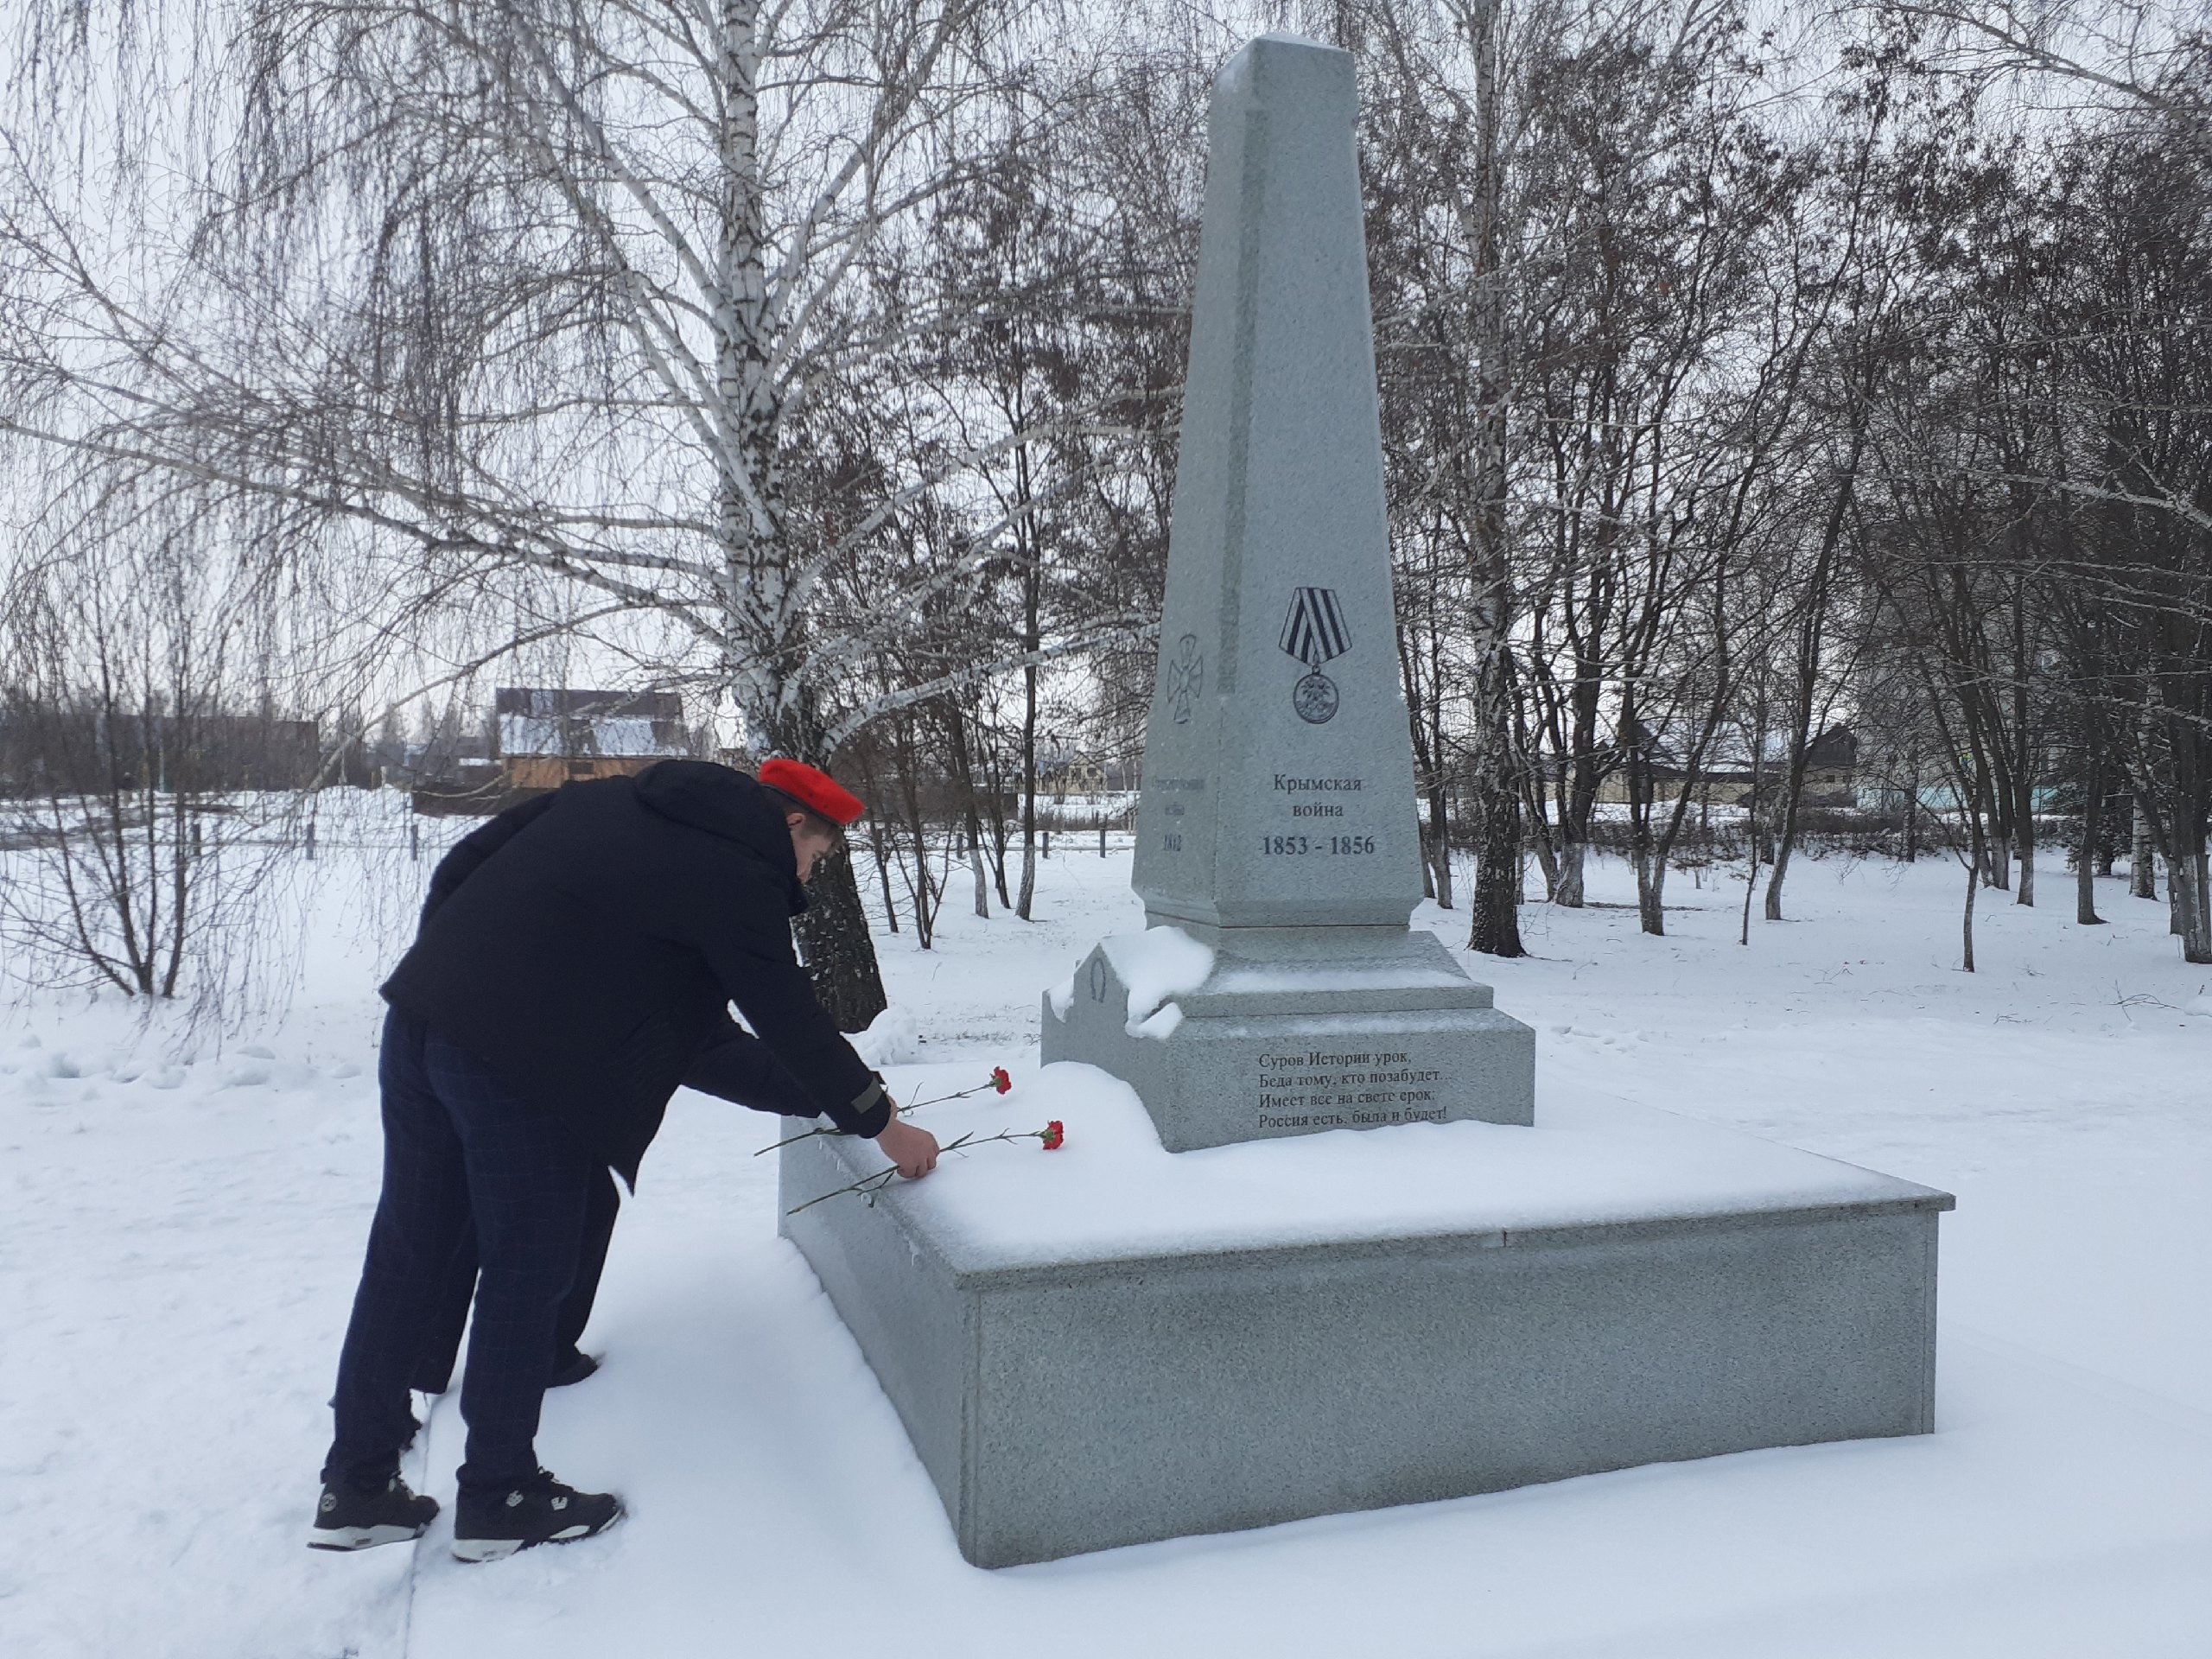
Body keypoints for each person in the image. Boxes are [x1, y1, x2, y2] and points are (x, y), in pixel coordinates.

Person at [308, 758, 938, 1562]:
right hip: (523, 1067)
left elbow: (464, 864)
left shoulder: (610, 803)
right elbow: (786, 1014)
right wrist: (881, 1120)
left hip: (427, 1019)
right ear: (788, 825)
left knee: (409, 1245)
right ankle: (499, 1494)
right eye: (820, 852)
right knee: (525, 1268)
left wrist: (459, 971)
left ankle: (357, 1485)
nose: (813, 871)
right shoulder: (739, 873)